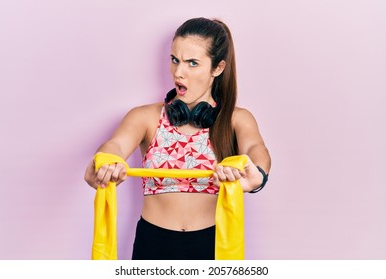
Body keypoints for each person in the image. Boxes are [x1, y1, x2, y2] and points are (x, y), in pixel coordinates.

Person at [84, 17, 271, 260]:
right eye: (175, 60)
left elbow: (257, 149)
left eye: (192, 63)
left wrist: (257, 174)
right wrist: (104, 160)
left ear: (218, 68)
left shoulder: (237, 119)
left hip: (213, 244)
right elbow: (116, 144)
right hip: (153, 244)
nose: (178, 73)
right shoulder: (145, 117)